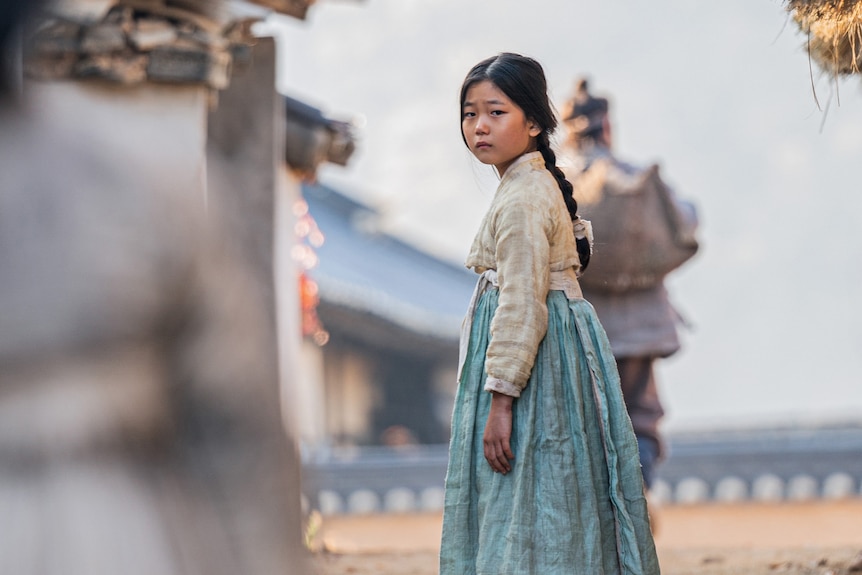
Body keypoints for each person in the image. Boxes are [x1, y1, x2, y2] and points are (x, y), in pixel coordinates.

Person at [439, 53, 659, 575]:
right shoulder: (528, 187)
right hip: (554, 355)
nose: (479, 126)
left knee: (531, 494)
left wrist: (500, 401)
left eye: (496, 112)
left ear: (534, 122)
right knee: (553, 492)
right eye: (470, 114)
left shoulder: (523, 199)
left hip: (536, 368)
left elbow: (519, 304)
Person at [561, 78, 699, 492]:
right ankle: (638, 494)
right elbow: (687, 220)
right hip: (644, 325)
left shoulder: (557, 184)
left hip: (579, 326)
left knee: (583, 419)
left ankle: (599, 511)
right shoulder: (638, 178)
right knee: (639, 413)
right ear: (607, 127)